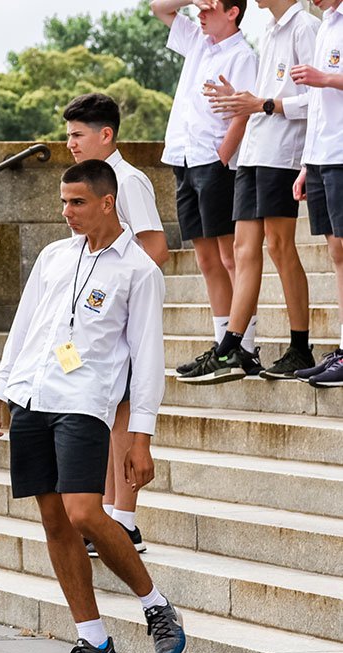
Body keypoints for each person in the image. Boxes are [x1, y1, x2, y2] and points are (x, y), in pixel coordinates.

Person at [0, 161, 184, 653]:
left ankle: (156, 605)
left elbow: (148, 359)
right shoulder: (52, 256)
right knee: (52, 520)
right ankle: (93, 641)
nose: (66, 212)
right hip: (31, 397)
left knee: (86, 513)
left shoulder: (139, 271)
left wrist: (142, 437)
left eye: (77, 203)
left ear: (107, 202)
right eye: (63, 202)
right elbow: (23, 329)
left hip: (85, 403)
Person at [188, 0, 321, 383]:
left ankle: (300, 346)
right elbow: (263, 98)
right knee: (243, 251)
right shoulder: (270, 29)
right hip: (253, 153)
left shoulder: (304, 27)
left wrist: (262, 103)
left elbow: (320, 99)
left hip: (282, 154)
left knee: (280, 247)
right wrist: (243, 100)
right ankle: (233, 347)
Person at [62, 93, 169, 557]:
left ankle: (125, 521)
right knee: (104, 415)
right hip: (90, 319)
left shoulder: (130, 181)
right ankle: (106, 516)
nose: (69, 143)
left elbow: (155, 247)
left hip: (121, 315)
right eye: (67, 134)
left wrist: (113, 294)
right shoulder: (86, 183)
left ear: (106, 134)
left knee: (124, 414)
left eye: (77, 134)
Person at [153, 0, 260, 376]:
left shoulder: (243, 54)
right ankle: (221, 344)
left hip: (215, 162)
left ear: (232, 12)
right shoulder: (197, 39)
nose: (201, 13)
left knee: (230, 256)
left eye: (210, 6)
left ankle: (245, 345)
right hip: (182, 157)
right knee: (205, 258)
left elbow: (245, 109)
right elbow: (159, 8)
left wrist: (223, 154)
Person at [292, 0, 343, 386]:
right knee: (336, 251)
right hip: (323, 154)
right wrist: (307, 163)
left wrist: (324, 77)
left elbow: (323, 85)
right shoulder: (325, 23)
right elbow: (317, 106)